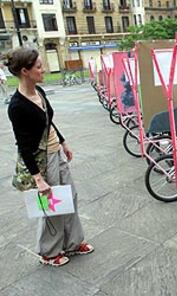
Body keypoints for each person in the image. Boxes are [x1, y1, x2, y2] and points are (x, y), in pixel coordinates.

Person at [5, 48, 94, 267]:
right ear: (25, 71)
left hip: (56, 152)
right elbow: (24, 146)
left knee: (70, 197)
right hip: (42, 161)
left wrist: (63, 142)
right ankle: (49, 251)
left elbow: (48, 121)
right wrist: (38, 178)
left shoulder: (40, 92)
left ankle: (73, 243)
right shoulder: (17, 106)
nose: (43, 70)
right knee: (52, 205)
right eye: (38, 67)